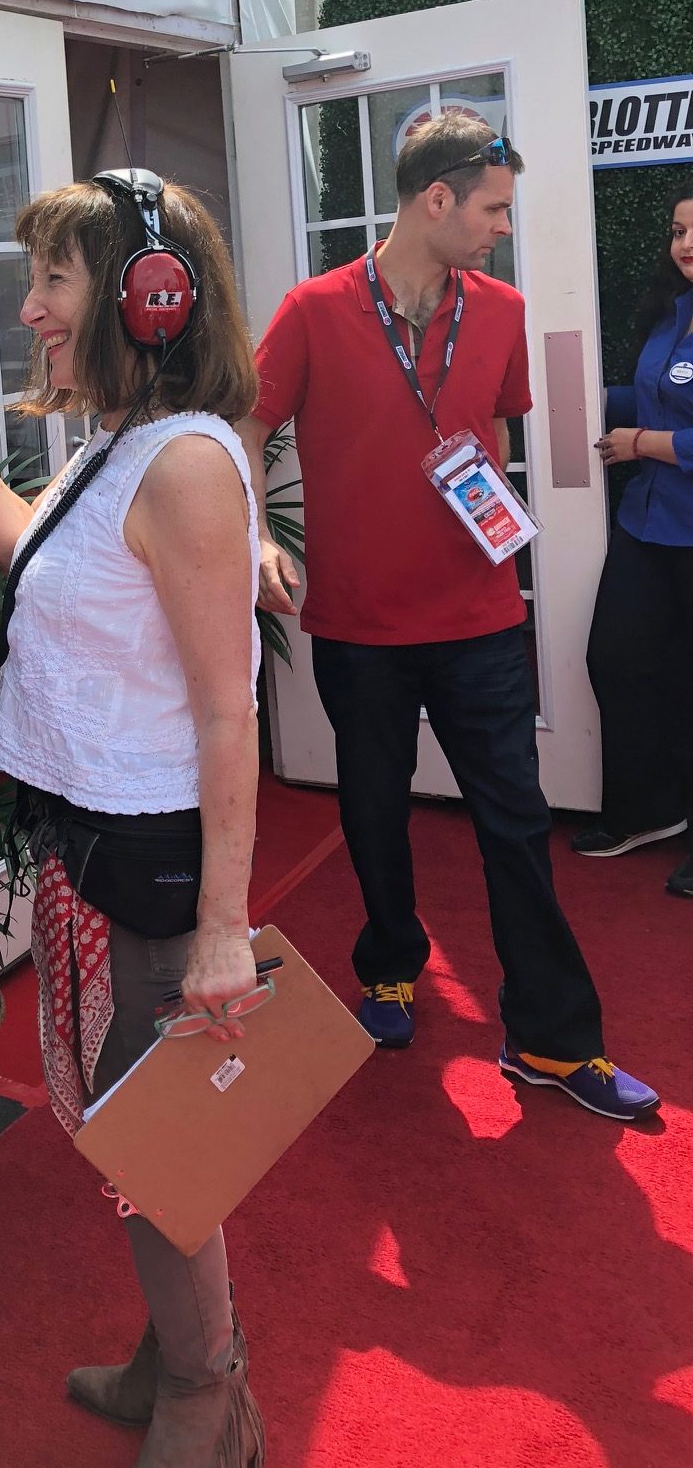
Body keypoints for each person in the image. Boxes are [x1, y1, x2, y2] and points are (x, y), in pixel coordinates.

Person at [0, 172, 267, 1468]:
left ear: (148, 297)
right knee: (135, 1137)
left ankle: (204, 1406)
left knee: (163, 1150)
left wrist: (228, 928)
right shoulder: (123, 447)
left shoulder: (178, 462)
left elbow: (230, 714)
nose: (29, 308)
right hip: (105, 845)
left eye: (57, 278)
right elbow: (40, 560)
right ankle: (172, 1350)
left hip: (164, 865)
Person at [238, 112, 658, 1121]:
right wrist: (257, 538)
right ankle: (389, 967)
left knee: (516, 825)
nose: (502, 229)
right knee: (373, 811)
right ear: (437, 201)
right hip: (358, 628)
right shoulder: (312, 309)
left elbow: (496, 425)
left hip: (477, 621)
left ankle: (552, 1041)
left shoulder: (504, 310)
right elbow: (248, 422)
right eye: (493, 209)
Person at [575, 177, 693, 897]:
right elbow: (644, 393)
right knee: (616, 657)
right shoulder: (671, 314)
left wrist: (642, 443)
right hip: (647, 525)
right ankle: (650, 810)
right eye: (679, 231)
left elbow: (651, 423)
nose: (686, 245)